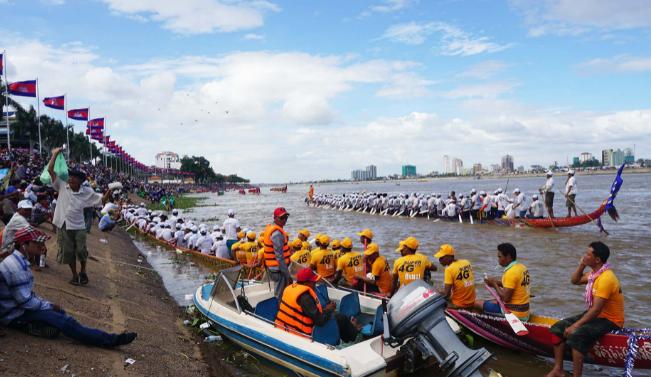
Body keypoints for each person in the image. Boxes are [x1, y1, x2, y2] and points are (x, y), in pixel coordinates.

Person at [0, 226, 137, 347]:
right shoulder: (15, 267)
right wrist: (50, 305)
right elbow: (27, 302)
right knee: (65, 321)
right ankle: (111, 340)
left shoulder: (20, 262)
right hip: (14, 314)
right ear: (24, 245)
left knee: (59, 315)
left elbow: (27, 296)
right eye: (37, 243)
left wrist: (49, 305)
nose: (41, 246)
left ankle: (41, 326)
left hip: (18, 308)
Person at [545, 242, 624, 377]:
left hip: (610, 320)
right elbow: (574, 281)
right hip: (597, 314)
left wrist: (575, 326)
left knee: (576, 335)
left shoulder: (606, 278)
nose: (584, 256)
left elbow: (596, 310)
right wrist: (582, 265)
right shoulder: (594, 274)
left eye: (588, 254)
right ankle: (558, 369)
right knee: (557, 329)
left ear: (597, 260)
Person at [49, 148, 112, 286]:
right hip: (63, 225)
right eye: (70, 176)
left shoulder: (87, 191)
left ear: (79, 180)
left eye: (74, 177)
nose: (70, 178)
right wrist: (54, 154)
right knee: (69, 251)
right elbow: (50, 170)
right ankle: (75, 275)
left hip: (78, 226)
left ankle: (83, 271)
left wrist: (110, 189)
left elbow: (101, 200)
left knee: (81, 251)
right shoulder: (62, 185)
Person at [275, 268, 360, 342]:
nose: (315, 284)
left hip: (286, 327)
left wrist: (326, 309)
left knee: (336, 317)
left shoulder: (291, 288)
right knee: (341, 318)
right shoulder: (305, 297)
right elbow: (320, 321)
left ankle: (348, 331)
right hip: (301, 333)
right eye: (313, 282)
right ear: (306, 283)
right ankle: (355, 335)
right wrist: (329, 309)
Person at [476, 243, 531, 321]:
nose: (498, 259)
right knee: (492, 301)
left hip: (514, 314)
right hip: (525, 312)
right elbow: (513, 286)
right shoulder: (522, 267)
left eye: (499, 257)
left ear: (508, 257)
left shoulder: (511, 272)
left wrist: (494, 284)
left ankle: (482, 325)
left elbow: (506, 298)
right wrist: (496, 282)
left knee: (476, 303)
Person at [262, 207, 292, 299]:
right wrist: (287, 274)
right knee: (279, 294)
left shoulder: (271, 228)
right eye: (281, 218)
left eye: (286, 217)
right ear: (275, 218)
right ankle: (278, 311)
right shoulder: (277, 234)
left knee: (279, 291)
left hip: (273, 267)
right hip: (278, 269)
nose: (284, 220)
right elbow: (279, 257)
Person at [434, 244, 476, 309]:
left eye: (441, 258)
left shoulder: (449, 269)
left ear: (449, 256)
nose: (439, 260)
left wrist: (435, 294)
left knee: (436, 303)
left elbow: (446, 294)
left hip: (459, 304)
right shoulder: (466, 262)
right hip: (472, 302)